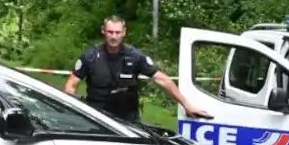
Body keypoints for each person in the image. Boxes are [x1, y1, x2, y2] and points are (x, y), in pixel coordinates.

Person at [63, 15, 212, 122]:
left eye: (117, 32)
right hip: (96, 117)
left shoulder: (134, 56)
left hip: (128, 118)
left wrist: (187, 105)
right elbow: (71, 84)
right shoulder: (90, 56)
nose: (114, 36)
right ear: (103, 31)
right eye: (110, 32)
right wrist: (72, 112)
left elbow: (163, 80)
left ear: (124, 32)